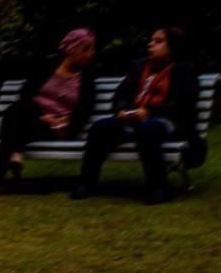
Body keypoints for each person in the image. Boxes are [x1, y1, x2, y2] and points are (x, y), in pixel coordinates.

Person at [72, 26, 200, 205]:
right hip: (133, 117)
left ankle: (158, 187)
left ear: (172, 48)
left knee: (147, 129)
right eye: (151, 40)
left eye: (158, 41)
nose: (151, 44)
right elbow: (121, 94)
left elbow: (183, 103)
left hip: (166, 120)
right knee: (100, 127)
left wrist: (150, 111)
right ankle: (87, 182)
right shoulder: (140, 66)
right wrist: (122, 110)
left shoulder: (182, 70)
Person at [0, 28, 98, 197]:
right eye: (87, 50)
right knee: (18, 110)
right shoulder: (46, 66)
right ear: (73, 49)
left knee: (14, 119)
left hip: (58, 126)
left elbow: (85, 110)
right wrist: (42, 116)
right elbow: (26, 95)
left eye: (91, 50)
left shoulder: (87, 77)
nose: (90, 54)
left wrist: (62, 120)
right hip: (33, 119)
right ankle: (13, 155)